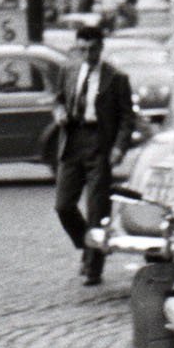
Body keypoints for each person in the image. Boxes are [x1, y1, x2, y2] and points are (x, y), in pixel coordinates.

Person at [52, 24, 137, 287]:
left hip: (100, 144)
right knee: (63, 205)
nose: (87, 53)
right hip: (73, 140)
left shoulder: (116, 78)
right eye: (82, 48)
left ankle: (93, 268)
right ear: (77, 48)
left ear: (101, 48)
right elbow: (58, 100)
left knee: (97, 209)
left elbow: (127, 117)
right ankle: (87, 245)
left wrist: (119, 148)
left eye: (92, 48)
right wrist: (59, 114)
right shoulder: (68, 70)